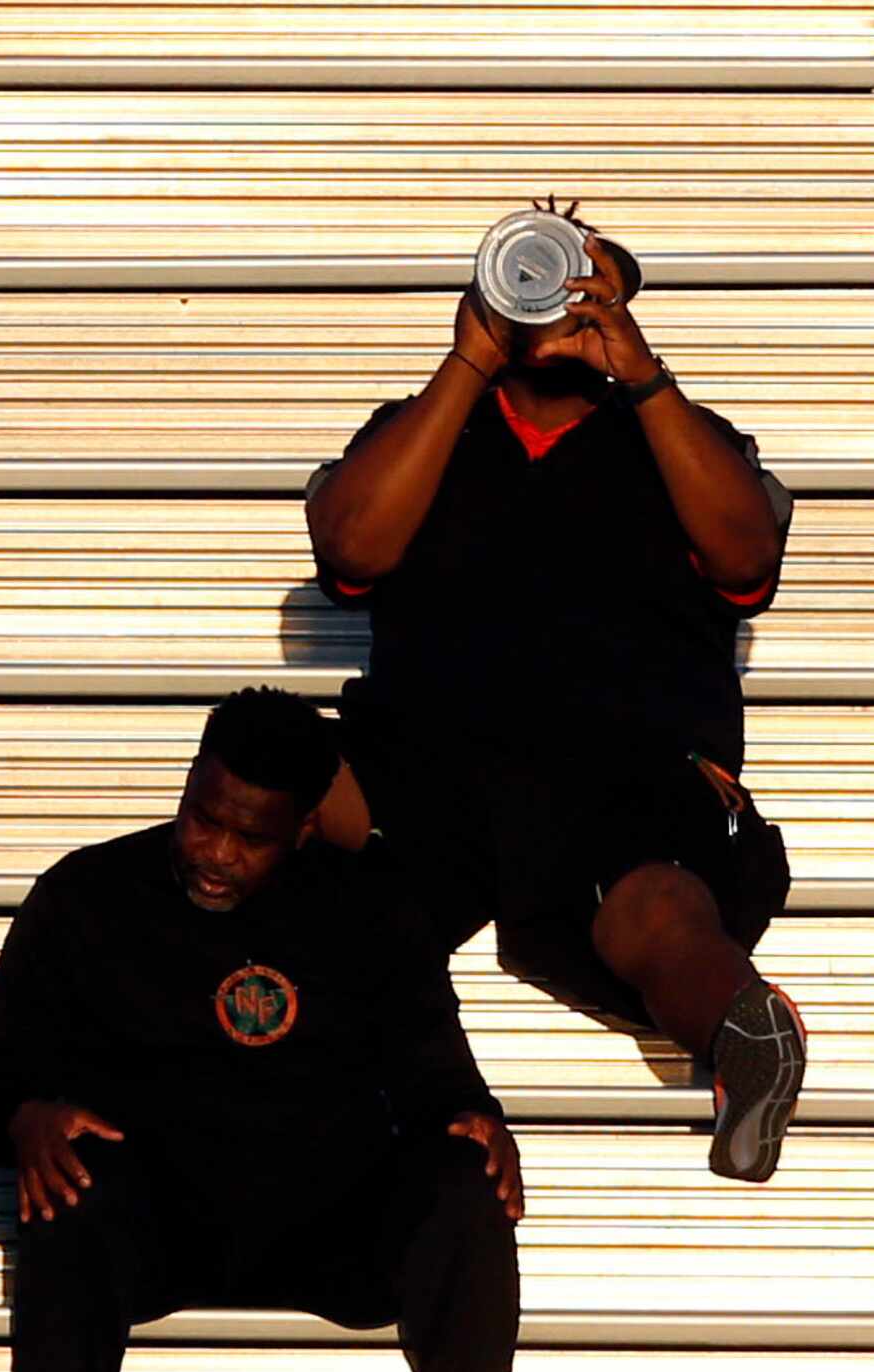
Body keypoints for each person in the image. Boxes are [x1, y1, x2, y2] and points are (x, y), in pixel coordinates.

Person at [304, 205, 808, 1183]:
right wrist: (470, 361)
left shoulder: (682, 440)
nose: (564, 306)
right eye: (536, 279)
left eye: (592, 285)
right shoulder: (416, 431)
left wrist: (645, 377)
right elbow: (351, 546)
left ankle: (747, 1034)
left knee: (656, 908)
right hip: (430, 756)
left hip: (624, 764)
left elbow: (748, 554)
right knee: (283, 779)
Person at [0, 688, 527, 1372]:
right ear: (187, 785)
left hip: (331, 1228)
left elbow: (437, 1072)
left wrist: (480, 1124)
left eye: (250, 838)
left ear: (300, 829)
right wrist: (25, 1114)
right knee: (68, 1172)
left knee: (464, 1174)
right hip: (155, 1226)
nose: (216, 854)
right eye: (203, 820)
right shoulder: (88, 894)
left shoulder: (371, 908)